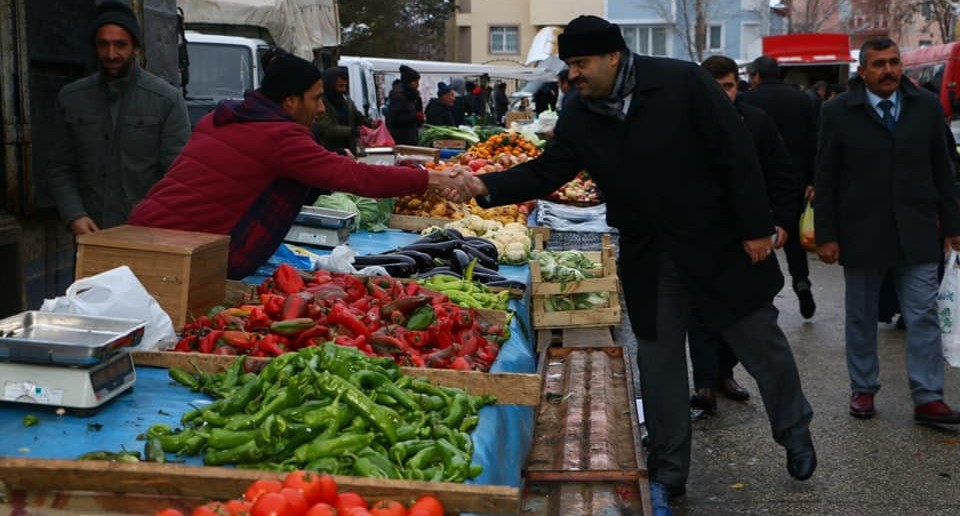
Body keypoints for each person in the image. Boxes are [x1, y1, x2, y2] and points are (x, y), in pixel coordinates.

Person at [460, 15, 816, 511]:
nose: (574, 75)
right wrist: (485, 186)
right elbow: (551, 169)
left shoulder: (681, 82)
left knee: (760, 342)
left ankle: (794, 430)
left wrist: (757, 225)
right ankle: (670, 470)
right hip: (650, 254)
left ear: (613, 56)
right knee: (659, 360)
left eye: (581, 64)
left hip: (715, 244)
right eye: (570, 66)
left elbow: (735, 151)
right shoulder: (581, 113)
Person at [128, 54, 471, 279]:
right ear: (290, 101)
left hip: (141, 234)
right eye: (316, 98)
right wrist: (432, 178)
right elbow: (356, 177)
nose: (321, 109)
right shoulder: (279, 137)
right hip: (177, 253)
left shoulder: (222, 118)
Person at [815, 37, 960, 424]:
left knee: (923, 314)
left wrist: (952, 226)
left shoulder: (925, 107)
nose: (889, 71)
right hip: (862, 232)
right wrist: (826, 234)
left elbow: (943, 171)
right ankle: (863, 388)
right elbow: (825, 177)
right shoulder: (838, 112)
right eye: (879, 64)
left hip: (916, 230)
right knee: (861, 316)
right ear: (862, 72)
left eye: (894, 62)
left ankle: (928, 396)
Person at [689, 55, 798, 415]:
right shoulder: (686, 126)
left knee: (745, 312)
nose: (724, 95)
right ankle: (704, 384)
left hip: (749, 238)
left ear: (739, 86)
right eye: (716, 88)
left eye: (730, 87)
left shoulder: (756, 122)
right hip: (702, 239)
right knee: (701, 316)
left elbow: (782, 175)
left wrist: (781, 223)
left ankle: (724, 373)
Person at [48, 0, 190, 236]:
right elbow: (60, 168)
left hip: (147, 236)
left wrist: (152, 222)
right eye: (103, 44)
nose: (111, 54)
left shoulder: (166, 100)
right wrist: (75, 215)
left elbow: (177, 176)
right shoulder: (71, 98)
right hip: (92, 236)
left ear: (135, 46)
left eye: (120, 45)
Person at [743, 55, 819, 320]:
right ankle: (801, 281)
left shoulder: (749, 102)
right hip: (795, 180)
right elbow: (814, 140)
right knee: (794, 237)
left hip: (759, 182)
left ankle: (764, 298)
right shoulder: (802, 99)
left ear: (756, 76)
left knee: (759, 236)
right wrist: (812, 179)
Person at [312, 66, 368, 156]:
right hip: (330, 151)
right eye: (340, 86)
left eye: (345, 86)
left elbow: (356, 116)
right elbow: (327, 129)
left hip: (349, 151)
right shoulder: (321, 103)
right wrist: (353, 132)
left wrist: (369, 124)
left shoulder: (345, 100)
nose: (343, 89)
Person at [386, 65, 423, 145]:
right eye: (415, 82)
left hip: (410, 137)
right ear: (408, 81)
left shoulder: (411, 96)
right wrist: (415, 117)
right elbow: (395, 118)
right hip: (401, 139)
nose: (418, 85)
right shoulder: (398, 96)